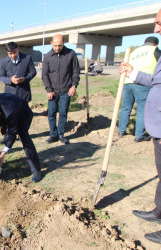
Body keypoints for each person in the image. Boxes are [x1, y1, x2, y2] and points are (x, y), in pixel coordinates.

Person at [119, 8, 161, 245]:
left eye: (159, 23)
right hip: (157, 126)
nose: (156, 29)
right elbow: (156, 80)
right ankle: (159, 212)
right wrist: (134, 74)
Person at [0, 93, 42, 182]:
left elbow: (12, 135)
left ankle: (36, 170)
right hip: (2, 109)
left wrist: (3, 154)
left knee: (24, 136)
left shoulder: (10, 112)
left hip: (22, 113)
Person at [118, 36, 161, 142]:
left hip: (128, 82)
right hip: (142, 82)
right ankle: (139, 135)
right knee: (142, 110)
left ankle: (121, 131)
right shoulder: (155, 51)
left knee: (125, 108)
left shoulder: (134, 52)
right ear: (156, 44)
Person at [42, 34, 80, 145]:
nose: (57, 48)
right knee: (52, 113)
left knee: (63, 113)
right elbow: (45, 74)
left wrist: (74, 85)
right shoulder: (48, 56)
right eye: (55, 45)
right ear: (51, 43)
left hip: (66, 90)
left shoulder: (71, 54)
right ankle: (53, 135)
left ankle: (61, 135)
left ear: (63, 43)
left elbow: (75, 71)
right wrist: (49, 89)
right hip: (52, 91)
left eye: (60, 45)